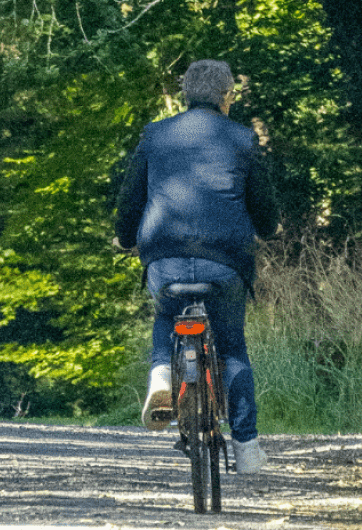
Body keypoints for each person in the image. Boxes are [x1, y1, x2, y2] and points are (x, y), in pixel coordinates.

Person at [114, 59, 278, 474]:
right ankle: (246, 449)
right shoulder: (243, 138)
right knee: (233, 346)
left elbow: (130, 199)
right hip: (224, 262)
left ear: (185, 94)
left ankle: (161, 376)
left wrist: (125, 237)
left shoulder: (156, 134)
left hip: (164, 257)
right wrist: (269, 228)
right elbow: (263, 209)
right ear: (227, 97)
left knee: (166, 313)